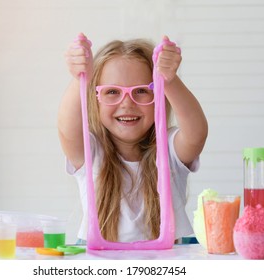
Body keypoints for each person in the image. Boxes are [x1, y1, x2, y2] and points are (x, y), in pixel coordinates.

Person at [58, 33, 208, 243]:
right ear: (95, 99)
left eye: (141, 91)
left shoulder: (168, 150)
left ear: (159, 97)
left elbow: (196, 133)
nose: (127, 103)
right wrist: (79, 80)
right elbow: (67, 130)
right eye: (112, 92)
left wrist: (169, 81)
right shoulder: (92, 152)